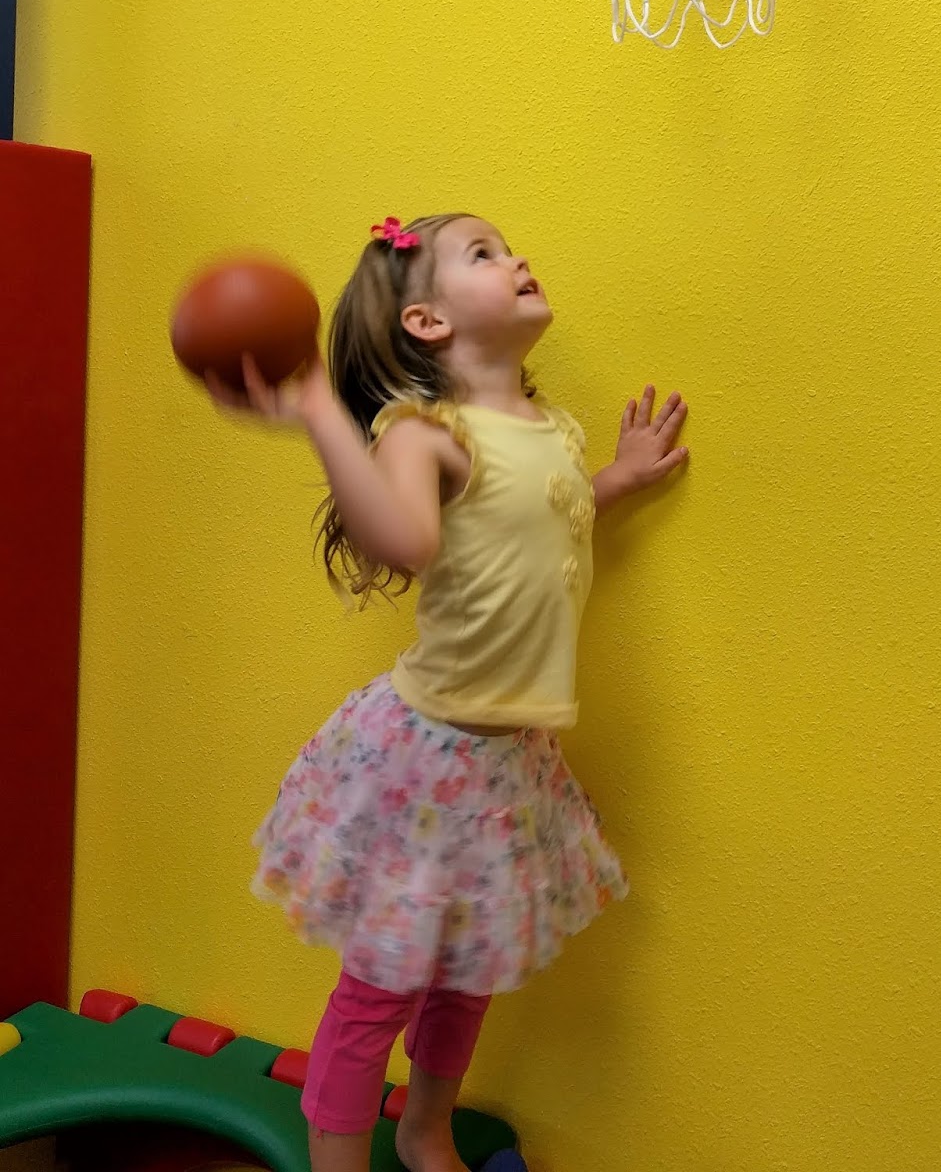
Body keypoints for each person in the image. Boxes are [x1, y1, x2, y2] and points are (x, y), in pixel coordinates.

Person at [207, 212, 689, 1172]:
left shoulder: (550, 429)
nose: (518, 257)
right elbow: (407, 542)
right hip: (424, 765)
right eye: (484, 253)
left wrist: (617, 478)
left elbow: (545, 517)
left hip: (512, 768)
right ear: (427, 322)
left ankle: (426, 1129)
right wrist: (319, 415)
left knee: (468, 977)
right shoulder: (424, 436)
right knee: (379, 990)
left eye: (508, 245)